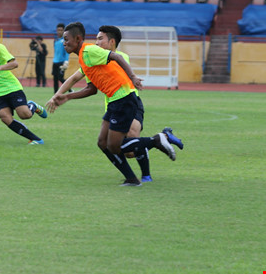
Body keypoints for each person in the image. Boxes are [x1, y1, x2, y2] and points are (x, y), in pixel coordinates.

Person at [46, 22, 179, 186]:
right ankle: (132, 178)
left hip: (123, 98)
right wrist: (67, 97)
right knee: (103, 143)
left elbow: (117, 56)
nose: (64, 42)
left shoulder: (89, 50)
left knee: (115, 145)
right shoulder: (84, 58)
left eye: (66, 39)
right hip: (114, 101)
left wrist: (132, 77)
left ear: (78, 38)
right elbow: (91, 89)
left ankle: (157, 140)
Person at [52, 23, 70, 93]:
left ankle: (70, 89)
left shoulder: (65, 41)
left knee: (60, 78)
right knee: (55, 78)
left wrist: (66, 61)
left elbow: (66, 52)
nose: (59, 32)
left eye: (61, 30)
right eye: (58, 30)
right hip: (55, 62)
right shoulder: (55, 40)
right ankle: (55, 93)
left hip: (61, 62)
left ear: (64, 31)